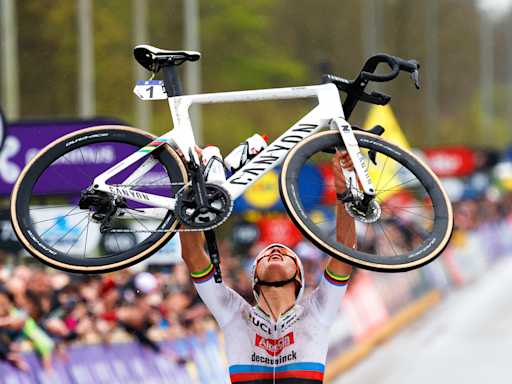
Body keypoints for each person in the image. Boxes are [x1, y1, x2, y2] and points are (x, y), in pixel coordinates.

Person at [179, 149, 355, 384]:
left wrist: (343, 183)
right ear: (255, 279)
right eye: (267, 254)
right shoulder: (234, 313)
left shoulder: (317, 311)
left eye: (284, 253)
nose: (274, 250)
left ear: (299, 279)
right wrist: (191, 187)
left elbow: (344, 253)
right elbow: (193, 256)